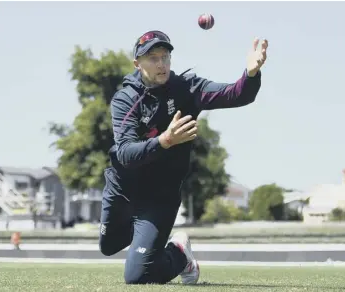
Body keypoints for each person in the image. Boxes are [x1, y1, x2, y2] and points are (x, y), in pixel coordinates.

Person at [99, 30, 268, 285]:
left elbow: (237, 94)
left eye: (165, 56)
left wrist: (251, 74)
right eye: (153, 58)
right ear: (137, 64)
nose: (161, 64)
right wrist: (165, 141)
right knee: (109, 246)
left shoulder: (187, 89)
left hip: (159, 196)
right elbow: (125, 154)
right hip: (122, 189)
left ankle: (179, 253)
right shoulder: (125, 99)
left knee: (137, 276)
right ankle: (149, 240)